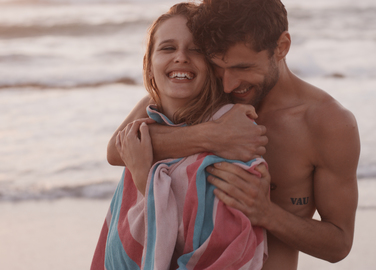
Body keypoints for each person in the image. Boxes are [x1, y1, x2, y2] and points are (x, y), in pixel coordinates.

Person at [106, 0, 360, 269]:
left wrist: (267, 213)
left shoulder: (327, 123)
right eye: (217, 65)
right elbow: (116, 149)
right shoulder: (200, 91)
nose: (228, 84)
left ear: (282, 47)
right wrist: (210, 136)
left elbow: (339, 244)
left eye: (242, 68)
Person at [92, 3, 267, 270]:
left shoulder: (233, 144)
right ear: (149, 66)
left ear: (213, 66)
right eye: (167, 48)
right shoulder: (146, 125)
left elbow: (212, 255)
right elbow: (113, 152)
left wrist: (144, 179)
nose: (181, 57)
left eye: (195, 49)